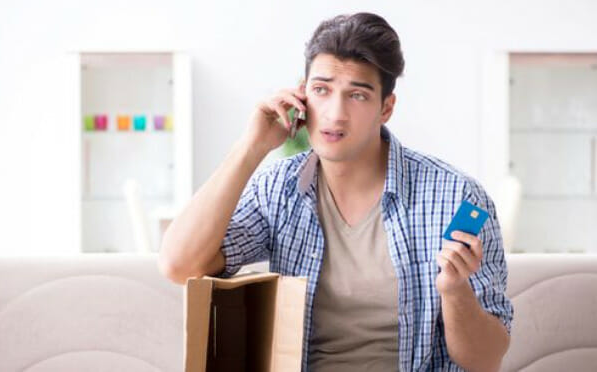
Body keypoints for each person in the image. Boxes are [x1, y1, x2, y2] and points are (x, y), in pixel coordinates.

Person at [159, 12, 513, 372]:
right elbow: (178, 264)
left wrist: (455, 292)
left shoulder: (456, 198)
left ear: (386, 108)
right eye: (321, 90)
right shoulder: (279, 188)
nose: (335, 114)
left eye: (357, 95)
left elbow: (484, 361)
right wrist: (251, 147)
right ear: (302, 94)